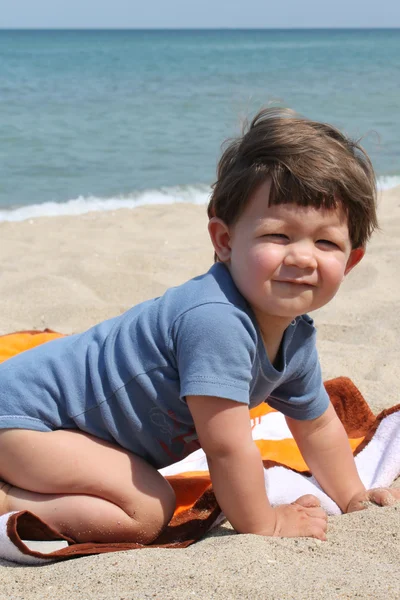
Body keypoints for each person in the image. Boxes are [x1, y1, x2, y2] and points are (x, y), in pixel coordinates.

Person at [0, 108, 398, 545]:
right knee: (146, 510)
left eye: (325, 242)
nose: (303, 257)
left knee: (145, 496)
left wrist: (353, 498)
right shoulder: (216, 321)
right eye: (278, 236)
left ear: (350, 261)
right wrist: (267, 524)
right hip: (24, 420)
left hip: (63, 432)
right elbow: (227, 448)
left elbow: (318, 426)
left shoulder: (295, 334)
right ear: (225, 241)